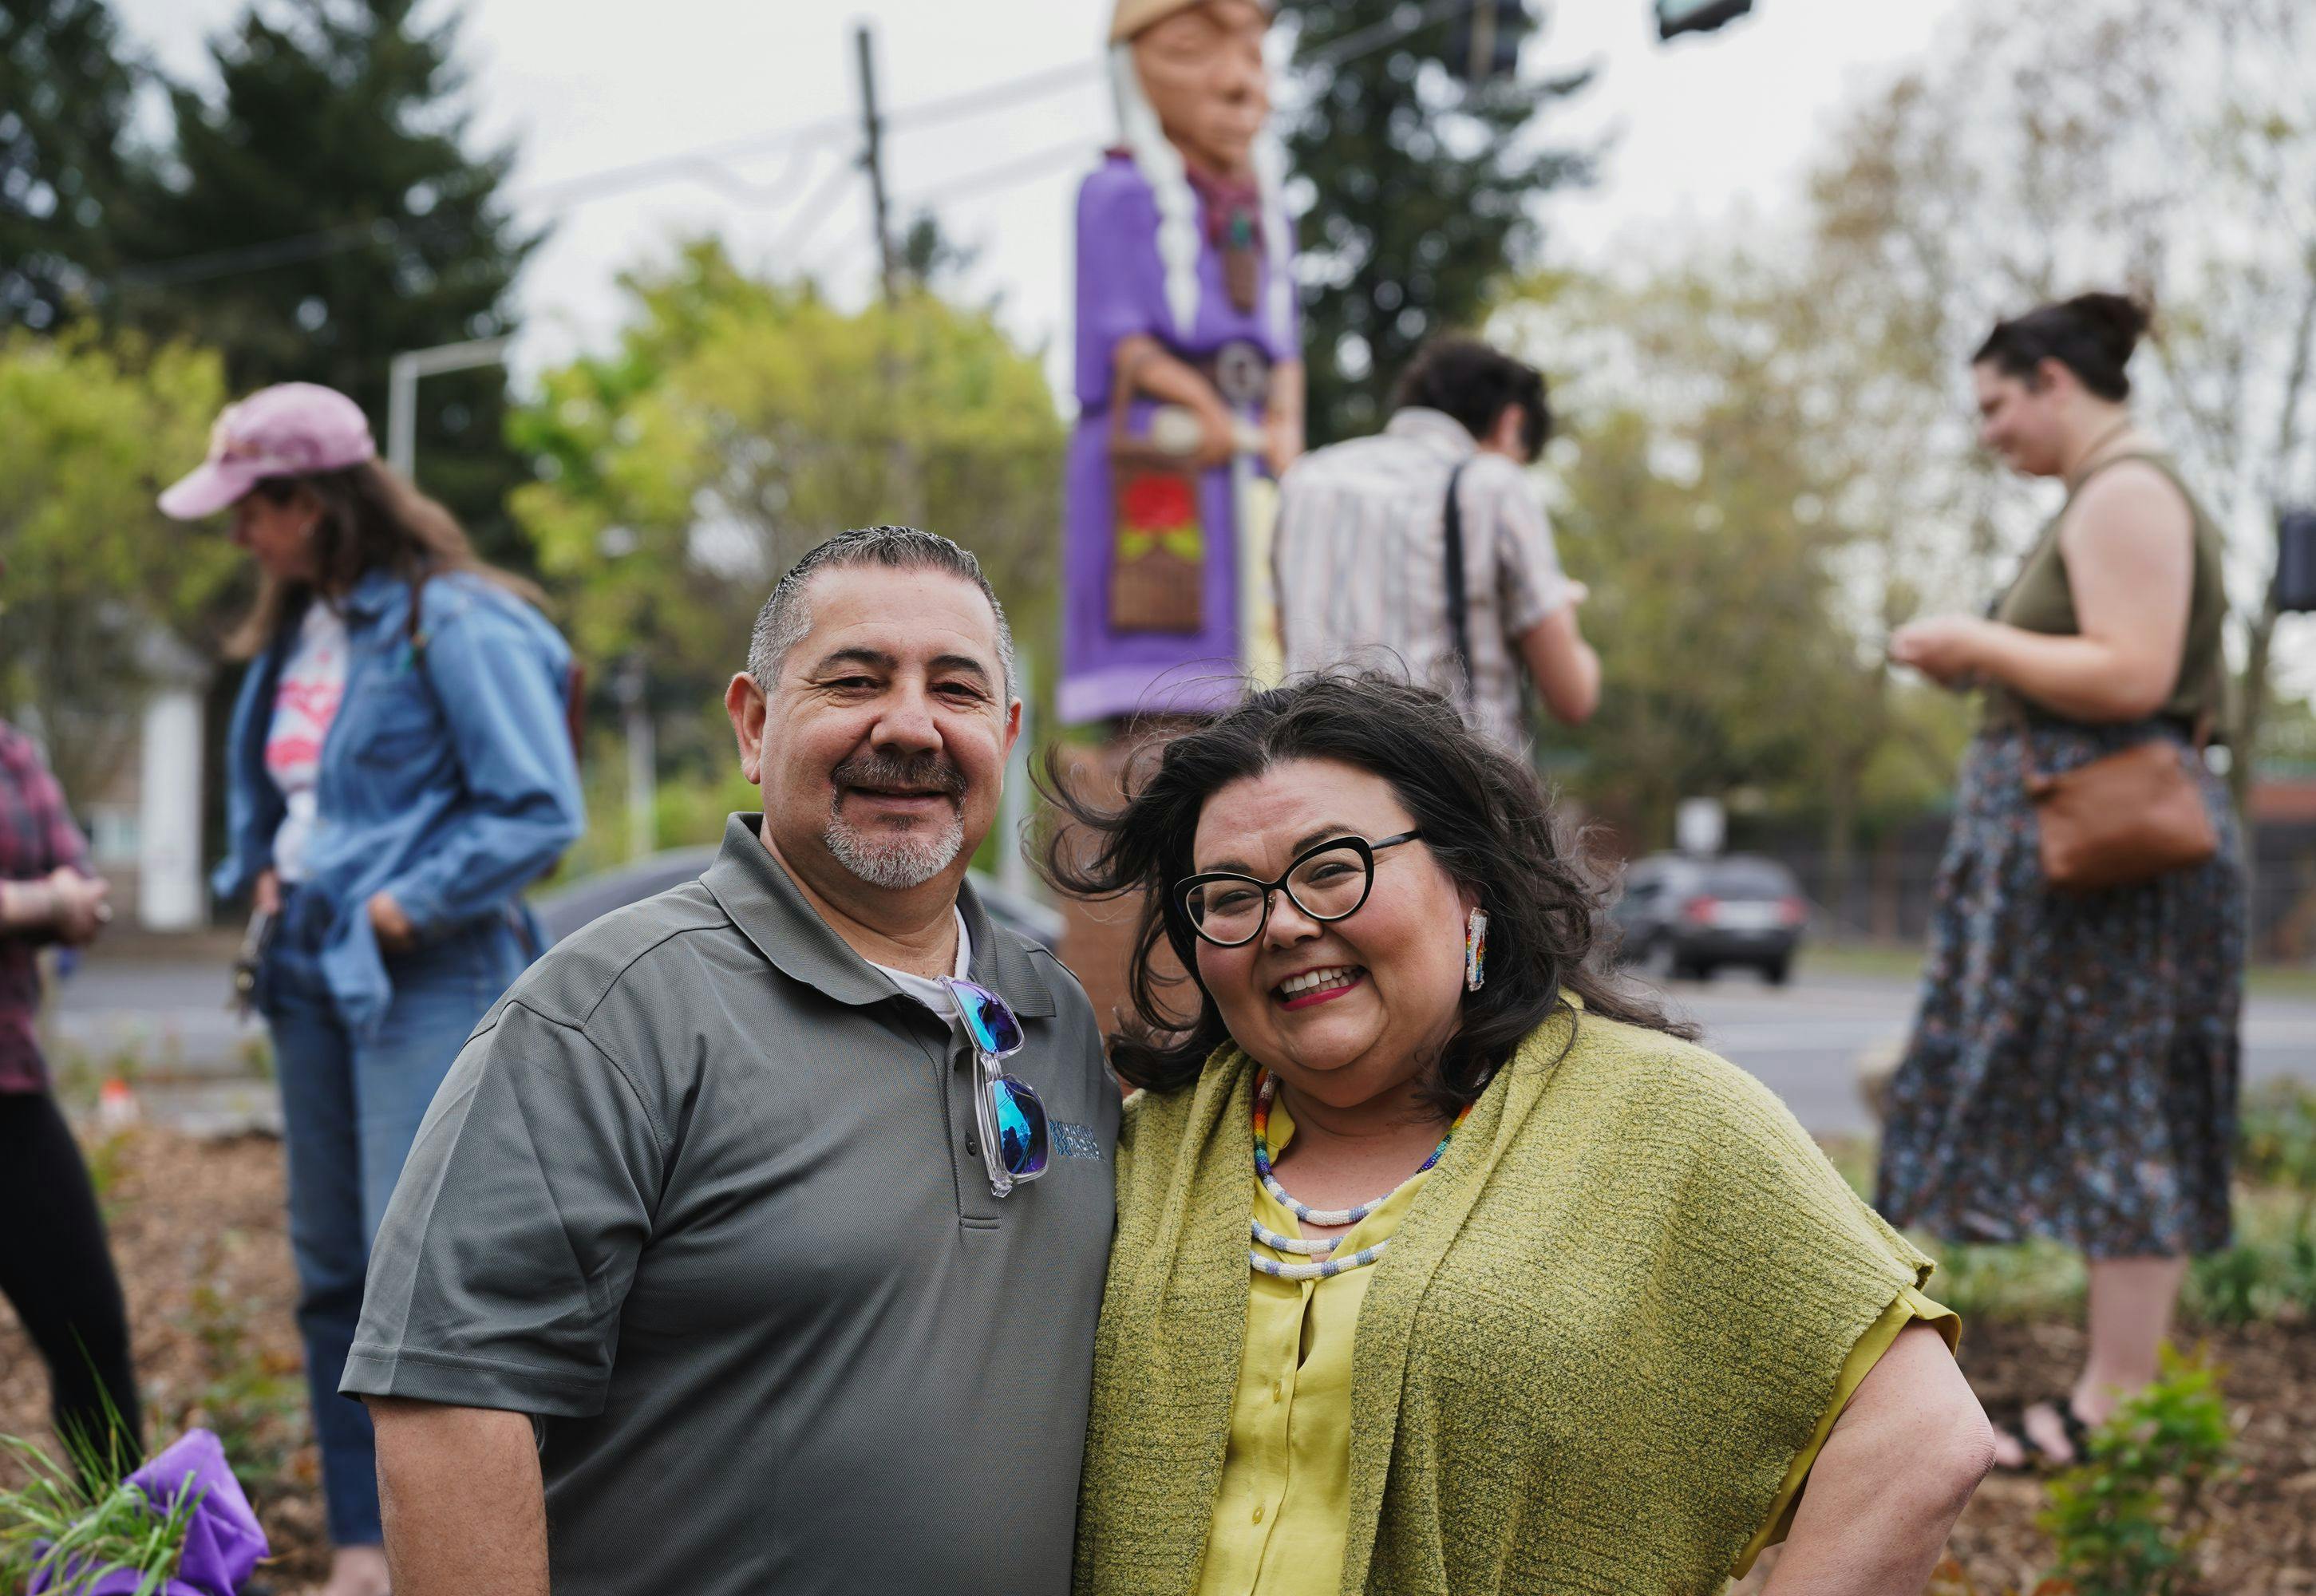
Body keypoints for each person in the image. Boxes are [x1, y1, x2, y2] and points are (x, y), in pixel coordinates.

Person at [1045, 672, 1994, 1596]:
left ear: (1469, 884)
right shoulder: (1142, 1149)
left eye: (1333, 868)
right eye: (1228, 895)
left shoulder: (1666, 1123)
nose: (1284, 923)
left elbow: (1922, 1435)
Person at [344, 527, 1119, 1596]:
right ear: (754, 724)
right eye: (854, 680)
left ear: (1006, 729)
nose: (910, 725)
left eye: (955, 687)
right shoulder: (606, 1014)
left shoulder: (1057, 1020)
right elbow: (448, 1408)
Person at [158, 382, 584, 1596]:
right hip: (305, 971)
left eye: (251, 509)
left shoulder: (451, 623)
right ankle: (362, 1542)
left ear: (315, 500)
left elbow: (538, 805)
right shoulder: (306, 632)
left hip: (422, 970)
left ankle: (456, 1547)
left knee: (426, 1279)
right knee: (334, 1271)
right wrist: (266, 886)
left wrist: (402, 903)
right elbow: (296, 805)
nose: (237, 536)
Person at [1878, 292, 2243, 1471]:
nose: (1987, 432)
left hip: (2111, 856)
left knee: (2123, 1095)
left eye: (1995, 404)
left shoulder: (2125, 490)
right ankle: (2100, 1392)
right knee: (2103, 1091)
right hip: (2083, 850)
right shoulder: (2102, 493)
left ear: (2050, 380)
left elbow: (2131, 668)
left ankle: (2117, 1403)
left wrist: (1972, 644)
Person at [1061, 0, 1304, 726]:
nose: (1239, 85)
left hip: (1250, 448)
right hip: (1158, 441)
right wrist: (1203, 410)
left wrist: (1284, 421)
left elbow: (1282, 340)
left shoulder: (1265, 211)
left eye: (1254, 54)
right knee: (1162, 616)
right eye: (1195, 49)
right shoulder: (1116, 192)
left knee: (1259, 643)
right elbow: (1119, 339)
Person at [1273, 336, 1599, 754]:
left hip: (1315, 774)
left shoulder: (1304, 481)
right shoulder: (1492, 485)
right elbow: (1572, 698)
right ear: (1511, 423)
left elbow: (1285, 633)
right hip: (1451, 792)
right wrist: (1564, 609)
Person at [0, 714, 139, 1470]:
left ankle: (123, 1563)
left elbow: (77, 876)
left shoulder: (12, 749)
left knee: (90, 1329)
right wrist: (38, 905)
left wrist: (73, 900)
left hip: (10, 1081)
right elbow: (53, 894)